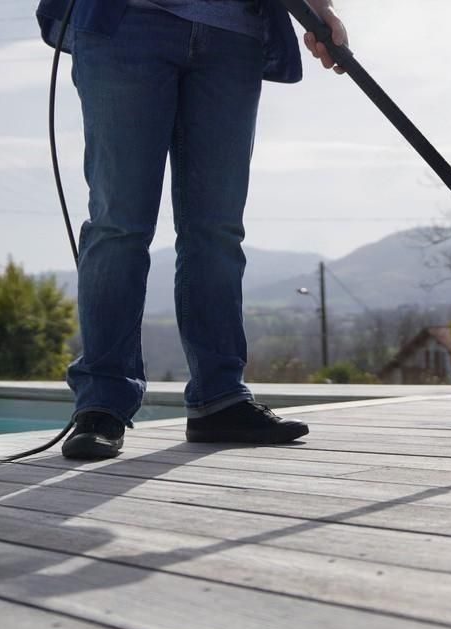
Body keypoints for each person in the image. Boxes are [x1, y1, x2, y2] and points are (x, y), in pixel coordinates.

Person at [34, 0, 348, 459]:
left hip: (234, 32)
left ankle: (219, 399)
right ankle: (102, 403)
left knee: (217, 230)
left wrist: (322, 9)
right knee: (119, 224)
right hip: (127, 23)